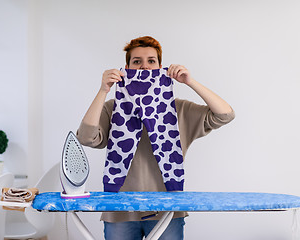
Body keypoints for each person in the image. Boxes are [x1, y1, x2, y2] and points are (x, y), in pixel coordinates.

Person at [76, 36, 235, 240]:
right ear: (126, 67)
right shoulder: (113, 108)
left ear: (161, 66)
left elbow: (225, 115)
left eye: (151, 61)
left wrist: (190, 81)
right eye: (137, 62)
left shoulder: (179, 110)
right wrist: (103, 90)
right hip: (120, 212)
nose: (144, 67)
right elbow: (87, 138)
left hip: (167, 211)